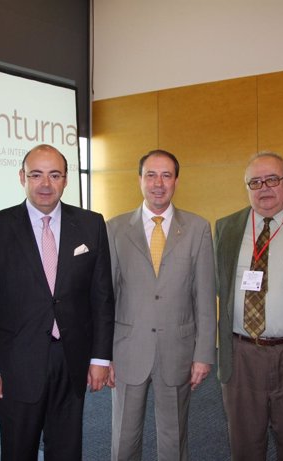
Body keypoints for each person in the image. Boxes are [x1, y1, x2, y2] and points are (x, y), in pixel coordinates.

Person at [0, 144, 115, 461]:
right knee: (18, 450)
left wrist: (101, 358)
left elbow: (102, 297)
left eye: (54, 175)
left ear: (66, 180)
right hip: (15, 364)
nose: (45, 184)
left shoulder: (91, 225)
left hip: (72, 359)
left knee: (66, 450)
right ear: (22, 177)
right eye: (36, 175)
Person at [107, 149, 216, 461]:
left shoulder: (197, 229)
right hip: (127, 349)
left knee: (174, 439)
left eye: (166, 175)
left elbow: (205, 297)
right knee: (124, 440)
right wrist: (104, 356)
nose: (158, 183)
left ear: (176, 181)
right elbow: (107, 298)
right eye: (151, 175)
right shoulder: (115, 229)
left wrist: (203, 355)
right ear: (139, 180)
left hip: (177, 350)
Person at [215, 152, 283, 460]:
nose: (264, 188)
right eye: (255, 182)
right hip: (242, 352)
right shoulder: (227, 227)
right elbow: (217, 287)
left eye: (272, 179)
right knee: (244, 443)